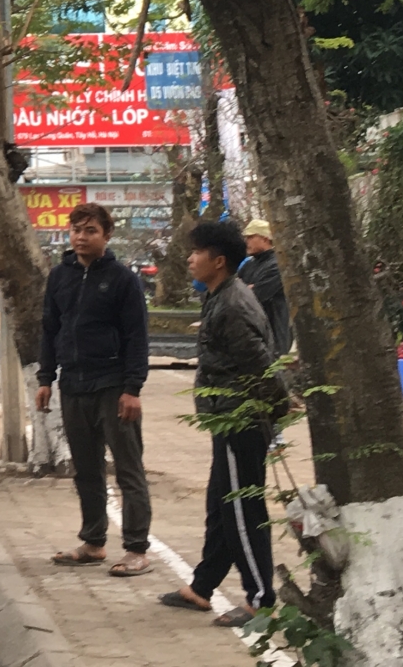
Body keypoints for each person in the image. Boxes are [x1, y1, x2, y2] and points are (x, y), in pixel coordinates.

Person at [159, 219, 287, 628]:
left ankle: (260, 600)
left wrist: (278, 410)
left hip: (240, 422)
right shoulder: (219, 295)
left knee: (242, 510)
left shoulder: (233, 304)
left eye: (196, 252)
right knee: (221, 506)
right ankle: (202, 587)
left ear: (218, 261)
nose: (189, 258)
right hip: (225, 419)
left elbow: (260, 368)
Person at [36, 203, 153, 577]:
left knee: (128, 469)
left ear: (107, 235)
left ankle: (136, 549)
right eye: (76, 230)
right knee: (86, 469)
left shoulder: (122, 279)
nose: (81, 237)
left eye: (90, 231)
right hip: (72, 384)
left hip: (113, 385)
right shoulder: (59, 276)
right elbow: (49, 329)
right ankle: (93, 542)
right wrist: (44, 379)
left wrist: (132, 388)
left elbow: (137, 336)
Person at [238, 218, 292, 359]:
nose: (246, 241)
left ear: (265, 238)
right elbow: (234, 292)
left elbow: (256, 296)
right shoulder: (249, 265)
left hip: (274, 334)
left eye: (250, 237)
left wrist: (247, 290)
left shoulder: (277, 265)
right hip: (250, 332)